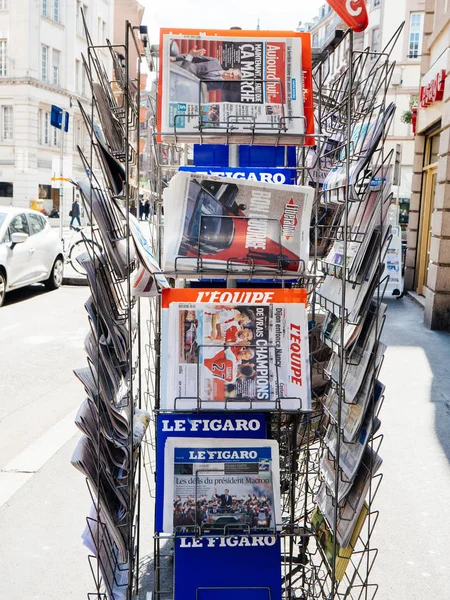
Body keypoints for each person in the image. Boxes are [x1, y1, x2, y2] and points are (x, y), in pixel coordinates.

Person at [172, 47, 242, 91]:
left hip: (181, 83)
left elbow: (199, 89)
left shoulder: (218, 85)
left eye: (232, 78)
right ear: (231, 69)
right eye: (232, 73)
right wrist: (175, 58)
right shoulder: (215, 61)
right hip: (178, 67)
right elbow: (194, 57)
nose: (230, 75)